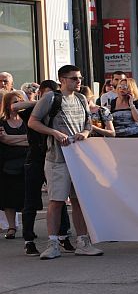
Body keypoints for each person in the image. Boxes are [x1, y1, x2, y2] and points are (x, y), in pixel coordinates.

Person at [28, 65, 103, 259]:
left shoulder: (81, 98)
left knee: (79, 201)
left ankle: (83, 242)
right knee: (56, 201)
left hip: (78, 157)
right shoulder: (50, 98)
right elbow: (33, 121)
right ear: (62, 79)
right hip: (57, 158)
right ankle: (53, 243)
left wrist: (85, 133)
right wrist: (54, 132)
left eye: (80, 78)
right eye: (74, 79)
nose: (78, 82)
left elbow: (88, 123)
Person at [12, 80, 72, 255]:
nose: (49, 97)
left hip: (55, 156)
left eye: (51, 94)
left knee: (58, 198)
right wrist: (40, 102)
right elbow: (15, 107)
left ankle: (63, 236)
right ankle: (29, 239)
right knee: (30, 200)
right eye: (45, 94)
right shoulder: (33, 110)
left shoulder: (59, 109)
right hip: (35, 158)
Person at [0, 91, 29, 239]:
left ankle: (28, 228)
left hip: (27, 163)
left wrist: (11, 138)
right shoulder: (2, 122)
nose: (17, 105)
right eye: (14, 102)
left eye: (19, 101)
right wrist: (23, 140)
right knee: (8, 198)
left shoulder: (29, 120)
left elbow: (32, 140)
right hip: (8, 165)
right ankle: (11, 227)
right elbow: (4, 140)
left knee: (27, 197)